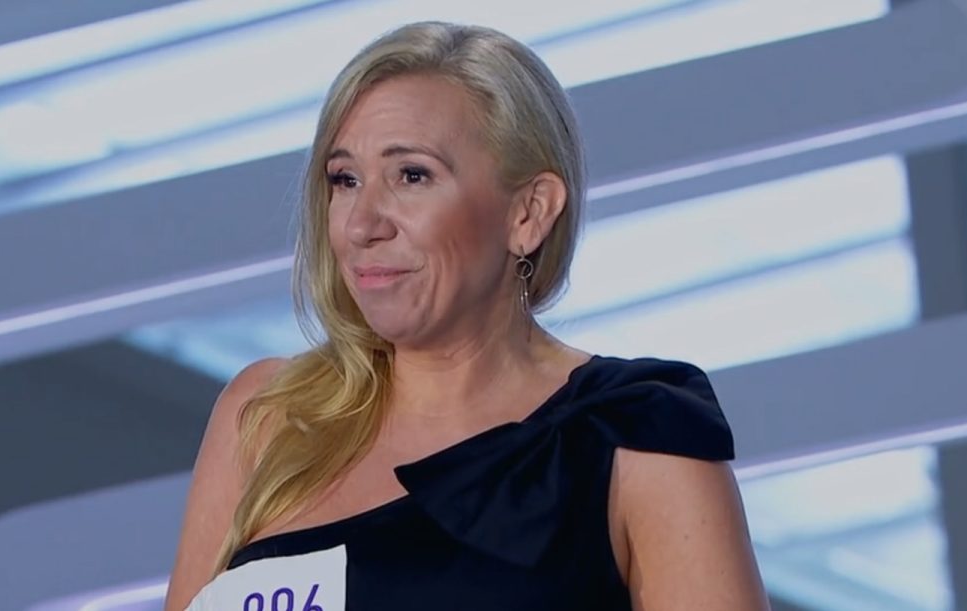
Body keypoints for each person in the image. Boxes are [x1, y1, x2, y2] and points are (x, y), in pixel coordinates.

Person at [165, 21, 769, 611]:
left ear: (529, 213)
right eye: (345, 180)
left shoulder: (636, 434)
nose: (361, 224)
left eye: (412, 175)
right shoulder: (269, 415)